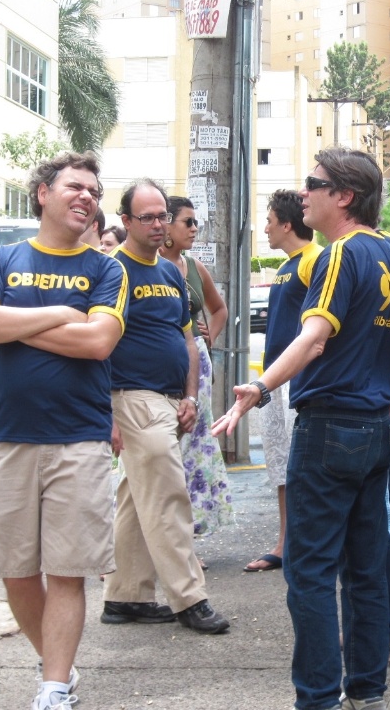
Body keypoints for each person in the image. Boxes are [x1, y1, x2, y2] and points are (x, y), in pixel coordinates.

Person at [212, 147, 390, 710]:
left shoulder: (341, 254)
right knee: (364, 570)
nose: (303, 193)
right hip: (377, 432)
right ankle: (368, 691)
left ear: (344, 197)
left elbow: (313, 338)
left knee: (309, 573)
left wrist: (258, 389)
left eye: (313, 183)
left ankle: (318, 699)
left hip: (330, 427)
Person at [0, 151, 127, 710]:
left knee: (67, 571)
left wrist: (17, 324)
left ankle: (54, 686)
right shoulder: (0, 258)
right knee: (15, 571)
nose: (87, 197)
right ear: (43, 192)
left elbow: (98, 343)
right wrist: (63, 313)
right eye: (75, 187)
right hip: (7, 437)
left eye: (95, 191)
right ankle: (56, 660)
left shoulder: (107, 270)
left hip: (79, 440)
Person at [104, 178, 230, 635]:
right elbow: (96, 345)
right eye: (148, 217)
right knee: (169, 494)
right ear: (126, 221)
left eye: (162, 216)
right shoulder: (110, 271)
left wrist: (192, 395)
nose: (158, 225)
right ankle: (189, 597)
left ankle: (125, 596)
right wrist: (105, 414)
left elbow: (188, 338)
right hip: (131, 397)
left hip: (173, 398)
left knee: (137, 499)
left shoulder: (171, 272)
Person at [245, 189, 322, 572]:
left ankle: (308, 546)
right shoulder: (285, 266)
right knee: (279, 464)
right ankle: (284, 542)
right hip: (273, 381)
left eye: (270, 222)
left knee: (303, 465)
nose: (265, 228)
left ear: (287, 224)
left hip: (300, 380)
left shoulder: (315, 260)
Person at [159, 196, 233, 541]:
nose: (193, 229)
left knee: (192, 445)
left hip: (195, 364)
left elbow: (219, 310)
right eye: (187, 222)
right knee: (159, 445)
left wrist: (209, 339)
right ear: (167, 225)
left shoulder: (193, 266)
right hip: (160, 363)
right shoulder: (149, 263)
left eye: (195, 223)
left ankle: (183, 537)